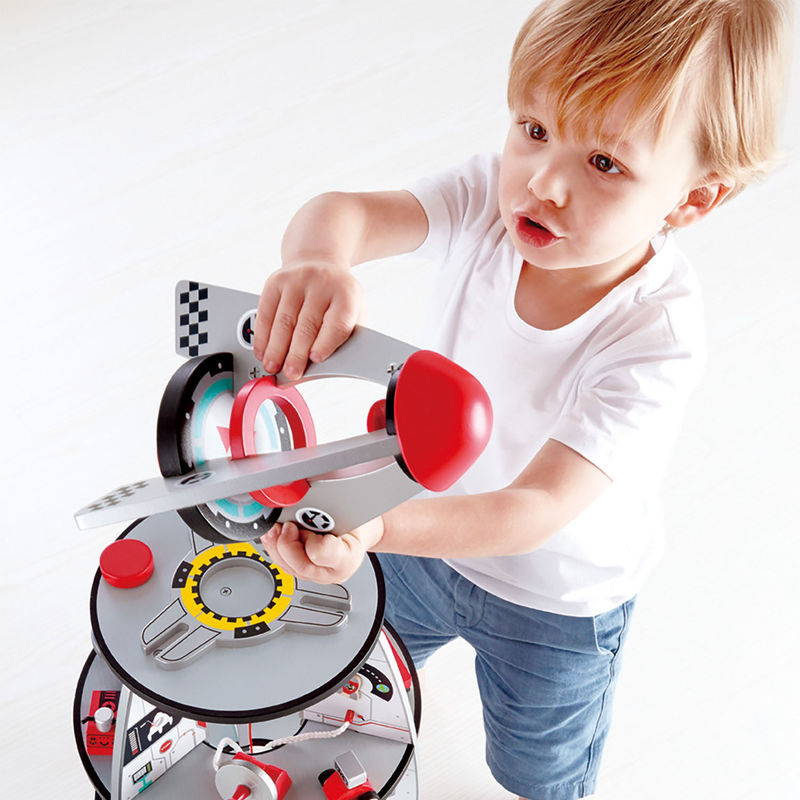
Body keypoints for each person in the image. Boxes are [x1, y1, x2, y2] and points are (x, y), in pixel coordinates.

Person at [253, 1, 790, 798]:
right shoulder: (490, 200)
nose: (542, 182)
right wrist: (319, 260)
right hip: (423, 539)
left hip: (558, 604)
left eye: (603, 163)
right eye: (534, 129)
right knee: (357, 678)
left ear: (691, 201)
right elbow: (346, 212)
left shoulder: (656, 336)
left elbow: (535, 508)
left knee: (538, 772)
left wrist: (378, 525)